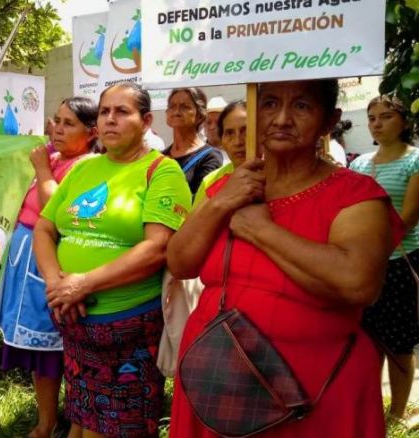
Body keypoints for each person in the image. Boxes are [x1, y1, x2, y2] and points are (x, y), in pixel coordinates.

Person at [167, 79, 404, 437]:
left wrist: (261, 230)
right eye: (269, 104)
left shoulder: (355, 194)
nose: (281, 119)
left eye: (302, 106)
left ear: (330, 120)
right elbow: (181, 262)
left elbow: (359, 283)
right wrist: (221, 203)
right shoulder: (228, 188)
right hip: (217, 379)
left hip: (312, 390)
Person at [34, 82, 191, 438]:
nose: (110, 120)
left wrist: (83, 284)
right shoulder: (83, 169)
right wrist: (56, 283)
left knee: (119, 429)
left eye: (122, 112)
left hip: (126, 332)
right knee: (82, 418)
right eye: (105, 112)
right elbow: (44, 228)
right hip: (75, 326)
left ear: (147, 120)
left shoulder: (162, 172)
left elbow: (157, 248)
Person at [0, 97, 98, 438]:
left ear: (92, 132)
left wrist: (42, 170)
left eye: (69, 123)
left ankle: (75, 424)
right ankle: (46, 421)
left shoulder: (86, 166)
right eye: (57, 120)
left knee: (59, 351)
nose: (57, 128)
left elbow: (54, 211)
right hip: (25, 261)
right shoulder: (55, 157)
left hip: (51, 266)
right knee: (40, 355)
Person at [350, 95, 419, 420]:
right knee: (368, 338)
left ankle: (398, 411)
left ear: (404, 122)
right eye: (372, 117)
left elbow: (408, 218)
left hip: (400, 263)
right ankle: (372, 406)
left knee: (400, 342)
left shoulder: (415, 161)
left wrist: (370, 243)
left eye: (386, 116)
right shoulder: (360, 164)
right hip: (364, 262)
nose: (377, 123)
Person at [162, 87, 223, 196]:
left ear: (200, 116)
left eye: (184, 107)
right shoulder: (161, 156)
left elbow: (202, 201)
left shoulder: (210, 157)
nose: (176, 112)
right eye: (172, 106)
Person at [191, 100, 248, 211]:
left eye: (245, 131)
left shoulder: (277, 177)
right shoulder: (210, 182)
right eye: (230, 133)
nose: (238, 142)